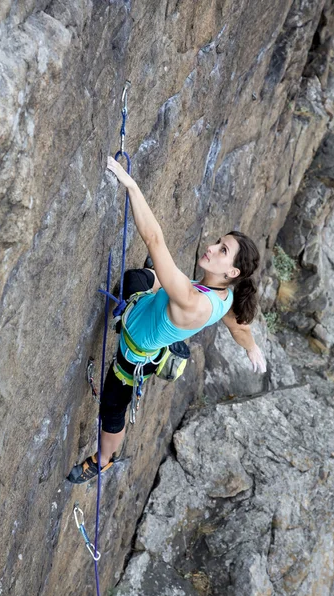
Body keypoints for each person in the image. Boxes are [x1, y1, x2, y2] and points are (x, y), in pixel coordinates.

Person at [67, 156, 266, 484]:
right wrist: (251, 347)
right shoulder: (227, 296)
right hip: (152, 303)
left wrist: (131, 185)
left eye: (222, 251)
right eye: (219, 242)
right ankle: (156, 275)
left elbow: (155, 239)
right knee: (137, 278)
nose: (212, 248)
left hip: (133, 355)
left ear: (231, 272)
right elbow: (238, 326)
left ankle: (103, 459)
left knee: (113, 409)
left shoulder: (193, 301)